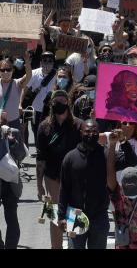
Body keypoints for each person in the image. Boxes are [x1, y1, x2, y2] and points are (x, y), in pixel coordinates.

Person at [36, 90, 83, 249]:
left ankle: (73, 245)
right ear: (51, 105)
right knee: (55, 214)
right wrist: (39, 185)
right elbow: (40, 158)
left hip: (75, 177)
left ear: (68, 103)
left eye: (63, 100)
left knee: (73, 214)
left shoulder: (79, 125)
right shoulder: (44, 127)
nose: (60, 104)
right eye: (56, 101)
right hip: (52, 177)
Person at [58, 120, 110, 249]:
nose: (90, 135)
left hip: (99, 216)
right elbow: (64, 189)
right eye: (87, 131)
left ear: (99, 134)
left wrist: (122, 142)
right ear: (81, 133)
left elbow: (129, 160)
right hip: (75, 216)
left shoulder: (106, 154)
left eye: (94, 132)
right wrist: (61, 215)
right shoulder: (70, 158)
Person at [0, 116, 28, 249]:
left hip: (10, 181)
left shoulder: (13, 132)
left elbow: (22, 155)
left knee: (11, 216)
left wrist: (13, 143)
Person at [22, 52, 57, 144]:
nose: (47, 63)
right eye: (45, 60)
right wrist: (20, 104)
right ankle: (38, 148)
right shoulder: (34, 73)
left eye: (50, 61)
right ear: (41, 62)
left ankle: (44, 148)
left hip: (49, 109)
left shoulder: (57, 75)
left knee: (49, 129)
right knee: (36, 129)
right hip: (36, 109)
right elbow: (24, 89)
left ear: (53, 63)